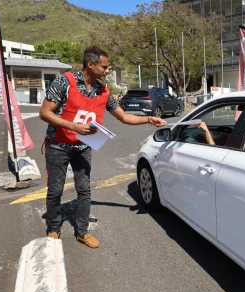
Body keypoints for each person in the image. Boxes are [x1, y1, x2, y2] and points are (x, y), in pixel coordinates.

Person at [39, 45, 167, 249]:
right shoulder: (65, 81)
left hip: (82, 147)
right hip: (58, 146)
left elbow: (124, 117)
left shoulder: (104, 91)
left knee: (84, 189)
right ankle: (53, 228)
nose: (107, 71)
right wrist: (73, 126)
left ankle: (82, 231)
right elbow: (45, 113)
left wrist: (149, 119)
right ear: (90, 65)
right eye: (105, 67)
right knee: (55, 189)